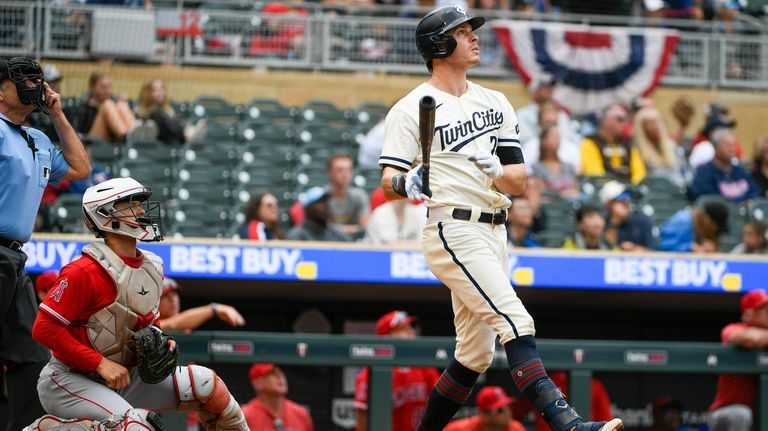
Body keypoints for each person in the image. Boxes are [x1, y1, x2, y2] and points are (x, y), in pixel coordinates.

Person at [379, 7, 623, 431]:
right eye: (461, 32)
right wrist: (409, 182)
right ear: (438, 44)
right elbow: (388, 180)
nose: (474, 37)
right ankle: (568, 424)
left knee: (473, 354)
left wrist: (496, 169)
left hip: (495, 229)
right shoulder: (410, 107)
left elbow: (518, 179)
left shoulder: (496, 101)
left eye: (472, 30)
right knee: (516, 320)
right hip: (452, 228)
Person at [25, 177, 249, 430]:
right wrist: (100, 363)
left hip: (126, 376)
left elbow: (145, 321)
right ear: (105, 215)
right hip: (71, 378)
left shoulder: (153, 266)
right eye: (131, 205)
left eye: (140, 204)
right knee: (136, 427)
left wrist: (160, 339)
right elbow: (43, 329)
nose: (142, 210)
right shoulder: (82, 271)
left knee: (207, 386)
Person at [0, 56, 90, 431]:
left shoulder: (37, 137)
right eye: (23, 79)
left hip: (14, 260)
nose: (35, 84)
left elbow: (80, 167)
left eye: (38, 79)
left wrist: (56, 114)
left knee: (32, 356)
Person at [354, 311, 439, 431]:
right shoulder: (371, 373)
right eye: (402, 329)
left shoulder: (425, 368)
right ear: (387, 337)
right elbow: (362, 418)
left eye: (410, 327)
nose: (411, 332)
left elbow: (440, 406)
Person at [708, 289, 768, 431]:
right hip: (726, 413)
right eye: (765, 310)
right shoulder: (734, 328)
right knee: (740, 415)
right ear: (748, 314)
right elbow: (751, 339)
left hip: (759, 416)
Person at [690, 128, 760, 204]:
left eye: (733, 145)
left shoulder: (740, 171)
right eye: (728, 146)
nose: (732, 149)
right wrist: (737, 204)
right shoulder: (704, 173)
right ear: (716, 147)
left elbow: (756, 191)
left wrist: (752, 201)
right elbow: (707, 198)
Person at [581, 104, 647, 184]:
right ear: (606, 121)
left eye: (626, 120)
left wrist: (635, 188)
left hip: (630, 190)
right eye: (620, 119)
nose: (625, 123)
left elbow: (639, 172)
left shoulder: (628, 143)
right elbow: (596, 174)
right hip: (604, 192)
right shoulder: (590, 142)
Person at [67, 71, 136, 144]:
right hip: (89, 145)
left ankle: (137, 135)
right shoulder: (83, 108)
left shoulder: (114, 104)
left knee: (121, 104)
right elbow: (78, 134)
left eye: (109, 87)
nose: (106, 91)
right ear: (92, 87)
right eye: (102, 87)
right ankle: (127, 137)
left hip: (111, 144)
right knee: (107, 104)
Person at [242, 363, 314, 431]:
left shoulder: (301, 414)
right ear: (257, 383)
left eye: (281, 372)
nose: (280, 377)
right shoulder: (245, 416)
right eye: (273, 373)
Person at [157, 276, 246, 331]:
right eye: (166, 296)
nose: (172, 300)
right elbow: (172, 325)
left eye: (174, 294)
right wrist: (213, 308)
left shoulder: (186, 322)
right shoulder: (149, 324)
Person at [598, 181, 656, 251]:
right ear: (608, 204)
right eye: (621, 197)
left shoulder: (642, 220)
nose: (626, 200)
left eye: (627, 195)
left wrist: (634, 249)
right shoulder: (601, 222)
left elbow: (654, 251)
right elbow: (607, 247)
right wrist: (614, 223)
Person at [325, 153, 370, 237]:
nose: (345, 174)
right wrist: (352, 229)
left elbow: (365, 227)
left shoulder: (360, 196)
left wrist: (338, 229)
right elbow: (322, 229)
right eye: (339, 170)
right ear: (329, 173)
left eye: (349, 169)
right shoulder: (322, 197)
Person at [658, 200, 729, 253]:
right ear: (707, 219)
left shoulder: (701, 228)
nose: (715, 230)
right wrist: (690, 247)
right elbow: (663, 246)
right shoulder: (682, 221)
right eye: (715, 226)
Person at [444, 386, 526, 431]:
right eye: (500, 410)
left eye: (507, 406)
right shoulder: (459, 429)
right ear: (486, 414)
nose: (508, 412)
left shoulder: (515, 428)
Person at [286, 186, 352, 242]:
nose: (326, 206)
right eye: (321, 202)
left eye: (326, 202)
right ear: (308, 208)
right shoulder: (296, 235)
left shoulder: (338, 235)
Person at [136, 78, 187, 145]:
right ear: (146, 93)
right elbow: (177, 131)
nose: (159, 93)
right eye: (155, 90)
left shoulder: (169, 111)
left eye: (161, 89)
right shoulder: (143, 112)